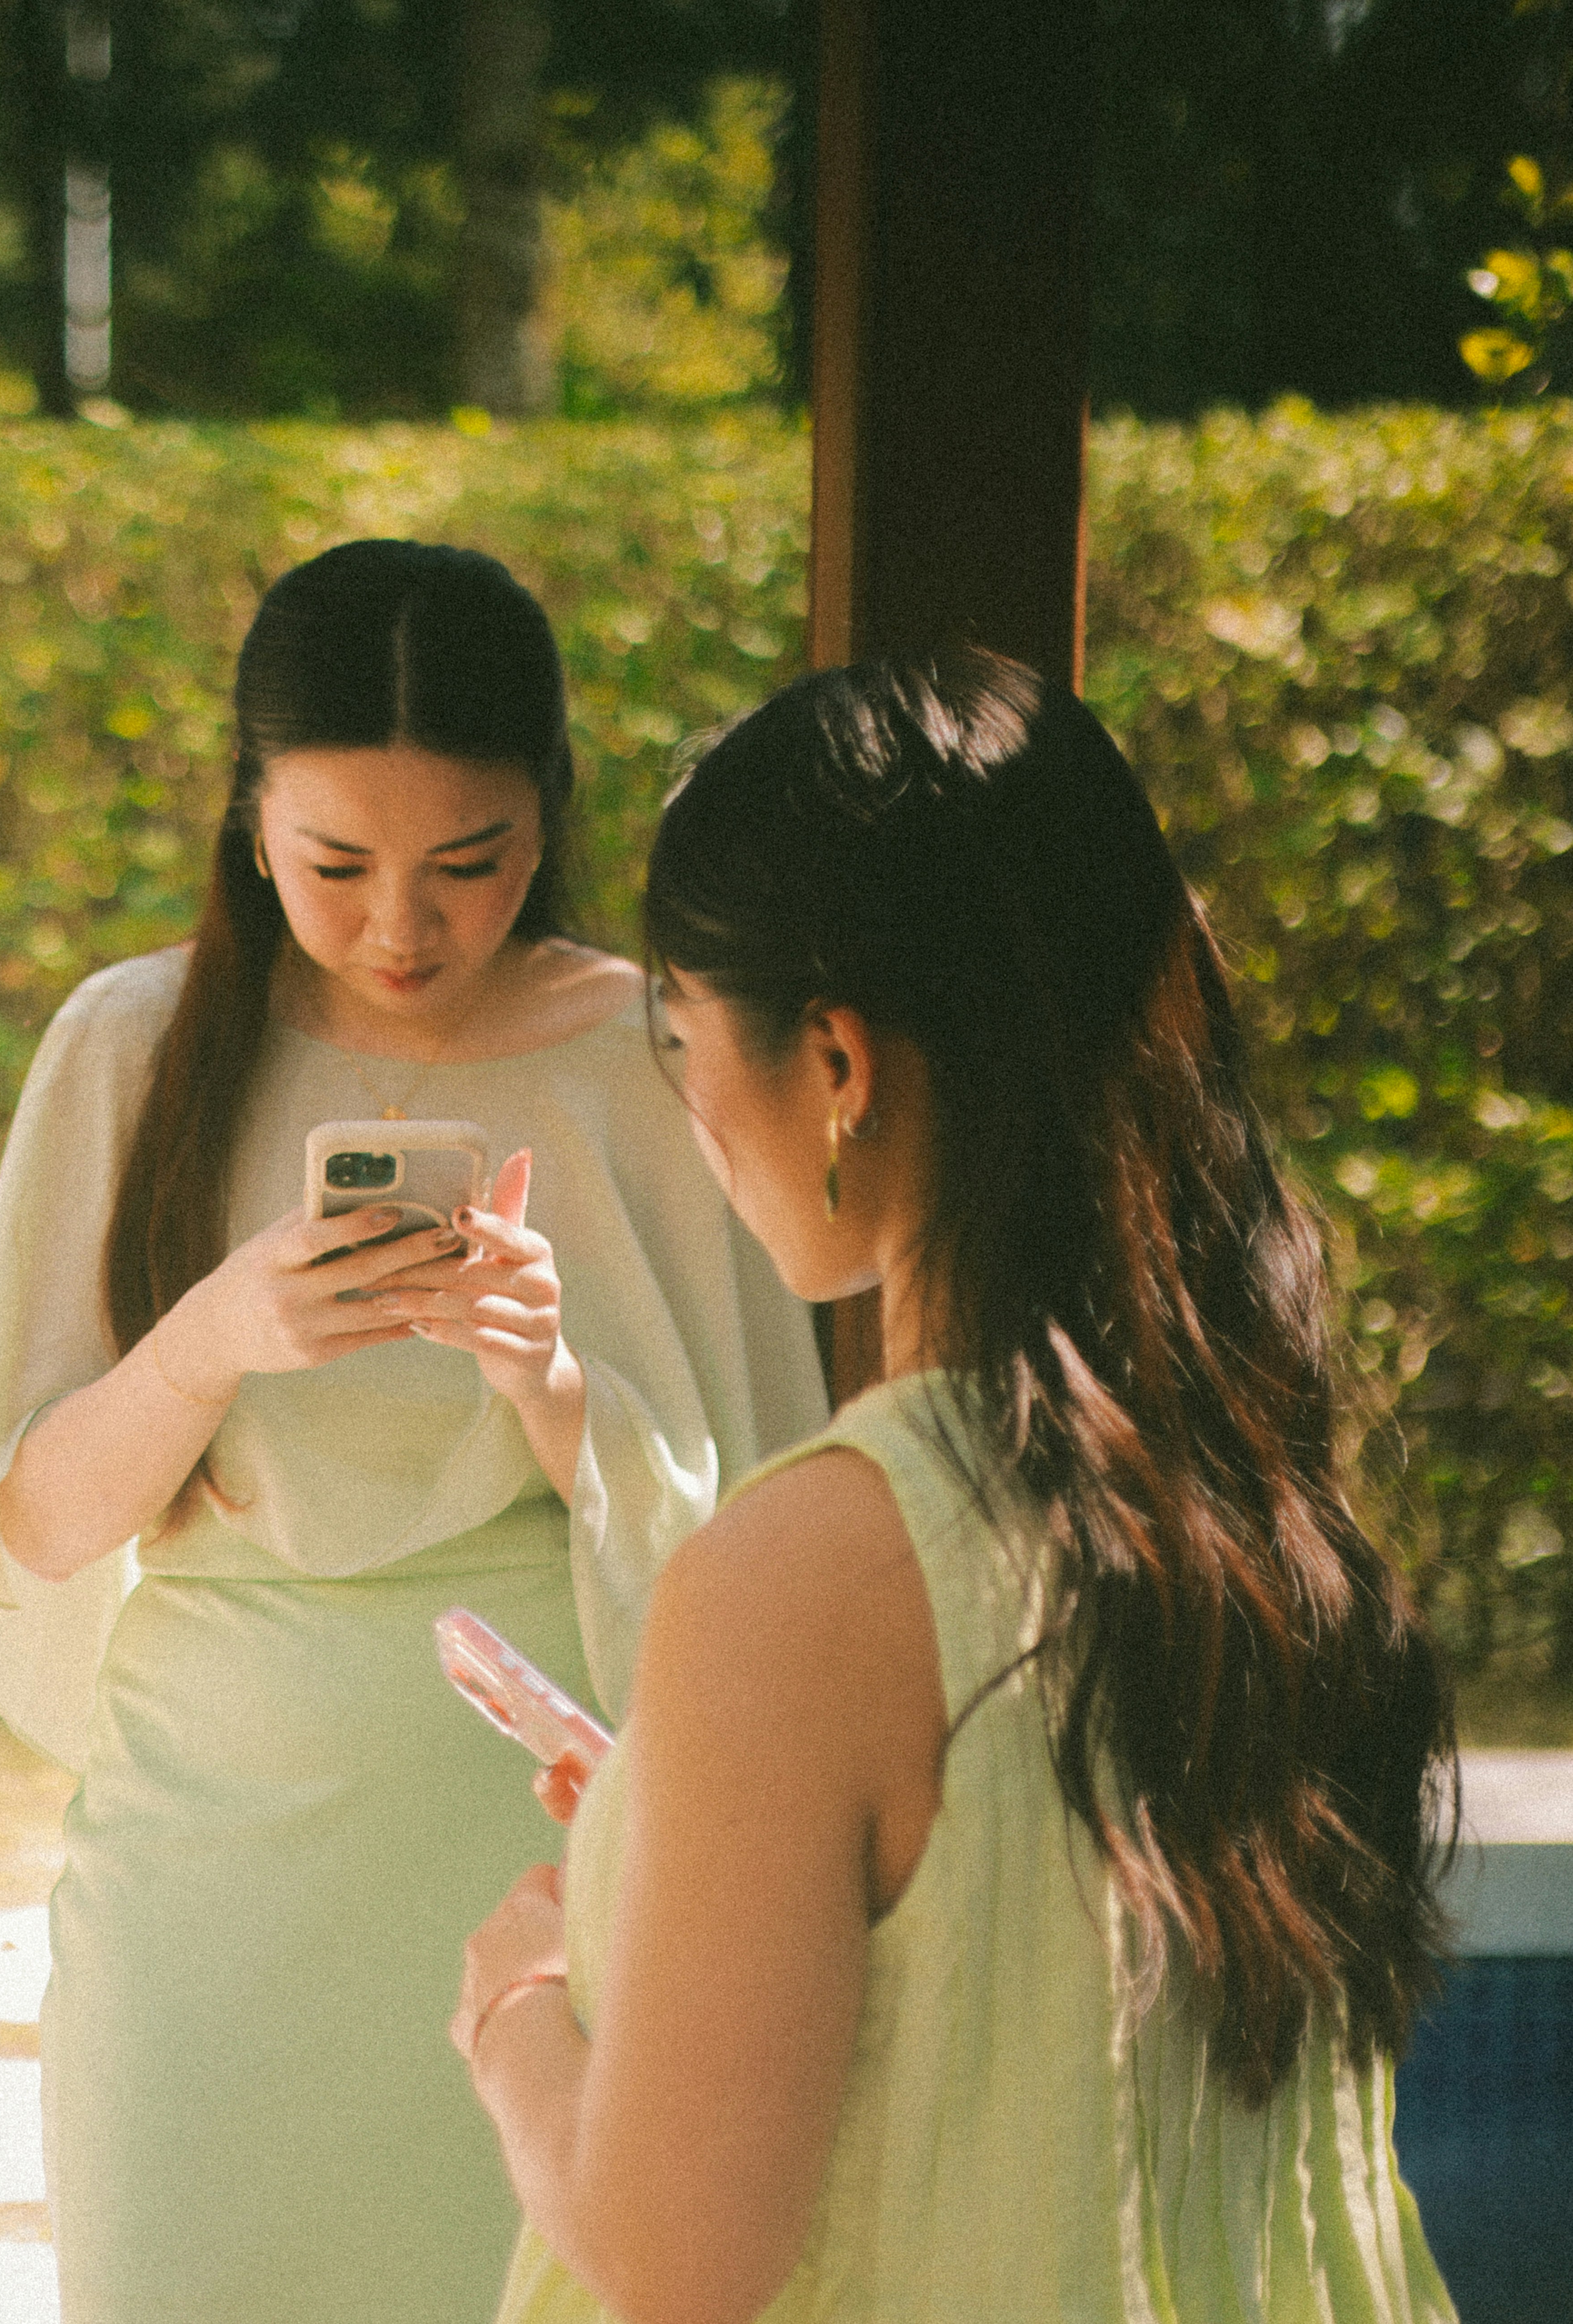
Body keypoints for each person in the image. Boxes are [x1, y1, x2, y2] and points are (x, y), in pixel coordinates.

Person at [456, 650, 1458, 2324]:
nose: (694, 1109)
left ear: (836, 1064)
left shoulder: (808, 1571)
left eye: (686, 1039)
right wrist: (679, 1820)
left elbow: (669, 2261)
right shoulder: (1258, 1494)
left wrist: (515, 2010)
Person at [0, 539, 827, 2324]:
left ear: (547, 821)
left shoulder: (659, 1053)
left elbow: (769, 1535)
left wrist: (552, 1384)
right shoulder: (131, 1042)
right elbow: (27, 1522)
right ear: (252, 822)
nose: (401, 928)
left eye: (466, 866)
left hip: (543, 1871)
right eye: (337, 865)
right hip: (206, 1875)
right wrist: (215, 1337)